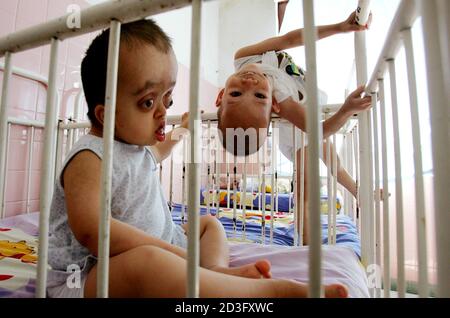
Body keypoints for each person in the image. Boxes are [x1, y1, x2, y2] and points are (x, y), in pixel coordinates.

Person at [46, 19, 348, 298]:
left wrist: (185, 128)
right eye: (148, 102)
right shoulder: (89, 156)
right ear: (105, 114)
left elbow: (162, 150)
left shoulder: (137, 148)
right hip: (90, 275)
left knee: (208, 224)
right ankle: (270, 292)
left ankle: (214, 272)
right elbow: (92, 230)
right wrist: (169, 251)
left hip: (165, 244)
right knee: (147, 262)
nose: (163, 112)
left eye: (168, 99)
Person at [216, 12, 372, 243]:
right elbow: (319, 130)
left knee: (333, 161)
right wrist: (346, 109)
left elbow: (291, 38)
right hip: (296, 132)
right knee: (306, 189)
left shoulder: (243, 57)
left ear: (221, 95)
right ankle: (308, 245)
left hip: (306, 115)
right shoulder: (280, 96)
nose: (248, 83)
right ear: (274, 105)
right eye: (259, 96)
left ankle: (357, 191)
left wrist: (339, 27)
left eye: (236, 93)